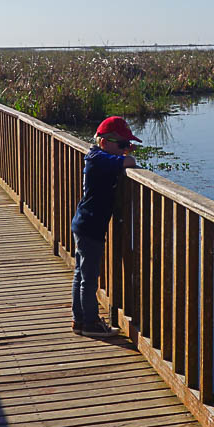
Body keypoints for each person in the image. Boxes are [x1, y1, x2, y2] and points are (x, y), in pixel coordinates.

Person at [71, 115, 139, 337]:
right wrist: (125, 157)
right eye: (122, 145)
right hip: (90, 227)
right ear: (104, 142)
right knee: (89, 278)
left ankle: (79, 319)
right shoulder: (99, 159)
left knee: (81, 274)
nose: (125, 150)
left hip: (84, 224)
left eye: (128, 145)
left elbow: (123, 159)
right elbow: (129, 163)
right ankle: (89, 323)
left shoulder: (96, 156)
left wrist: (121, 151)